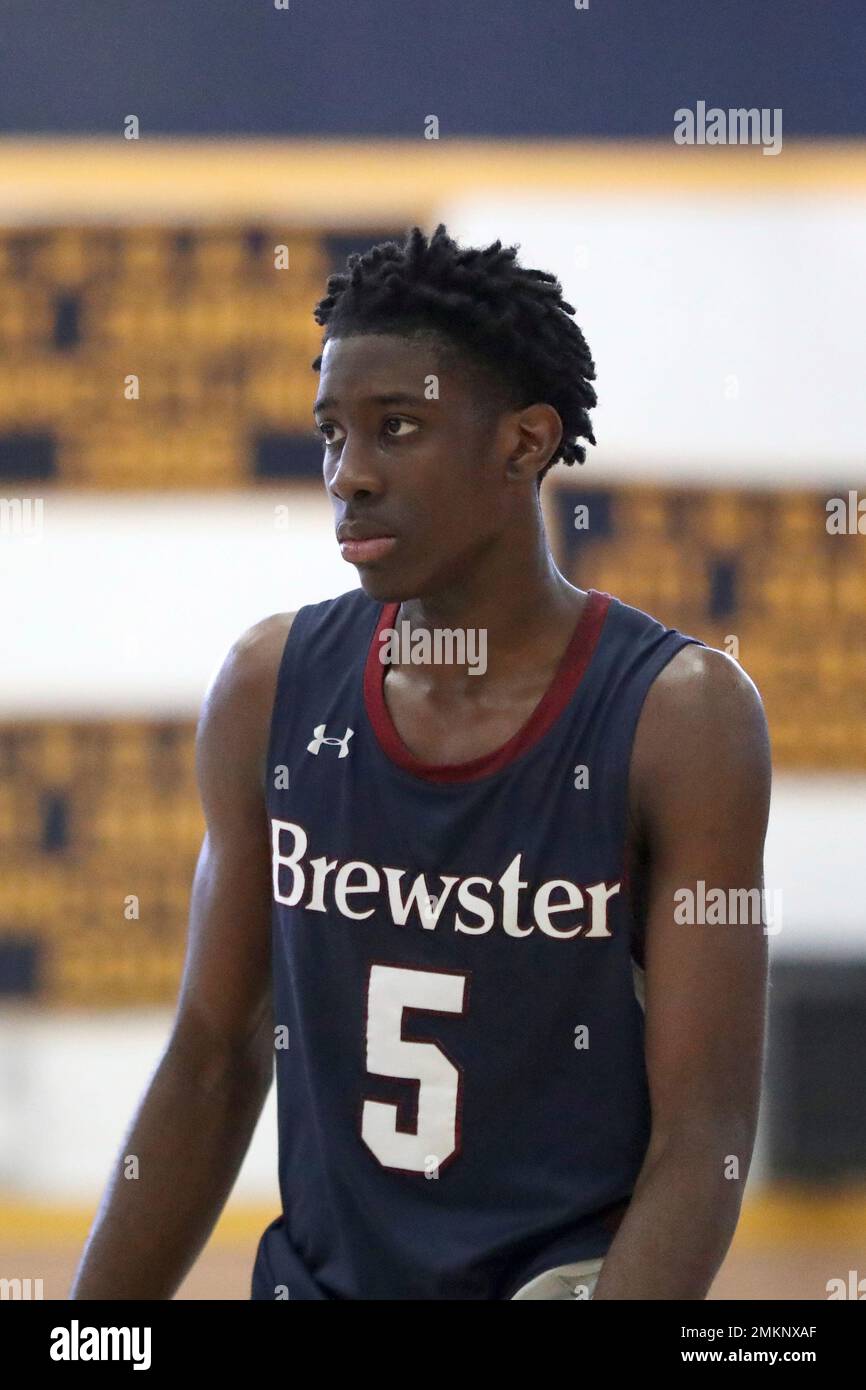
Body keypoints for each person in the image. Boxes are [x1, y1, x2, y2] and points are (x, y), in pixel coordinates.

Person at [71, 225, 770, 1301]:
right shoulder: (268, 687)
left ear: (522, 444)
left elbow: (704, 1130)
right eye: (330, 434)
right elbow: (212, 1056)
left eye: (396, 428)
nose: (346, 476)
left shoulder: (679, 719)